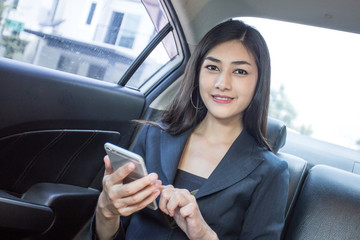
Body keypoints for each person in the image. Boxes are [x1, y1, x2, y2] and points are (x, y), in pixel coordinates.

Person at [93, 19, 289, 240]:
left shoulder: (271, 172)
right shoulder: (153, 137)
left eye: (240, 71)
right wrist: (106, 210)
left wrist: (204, 235)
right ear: (198, 72)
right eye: (212, 67)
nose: (222, 83)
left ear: (259, 82)